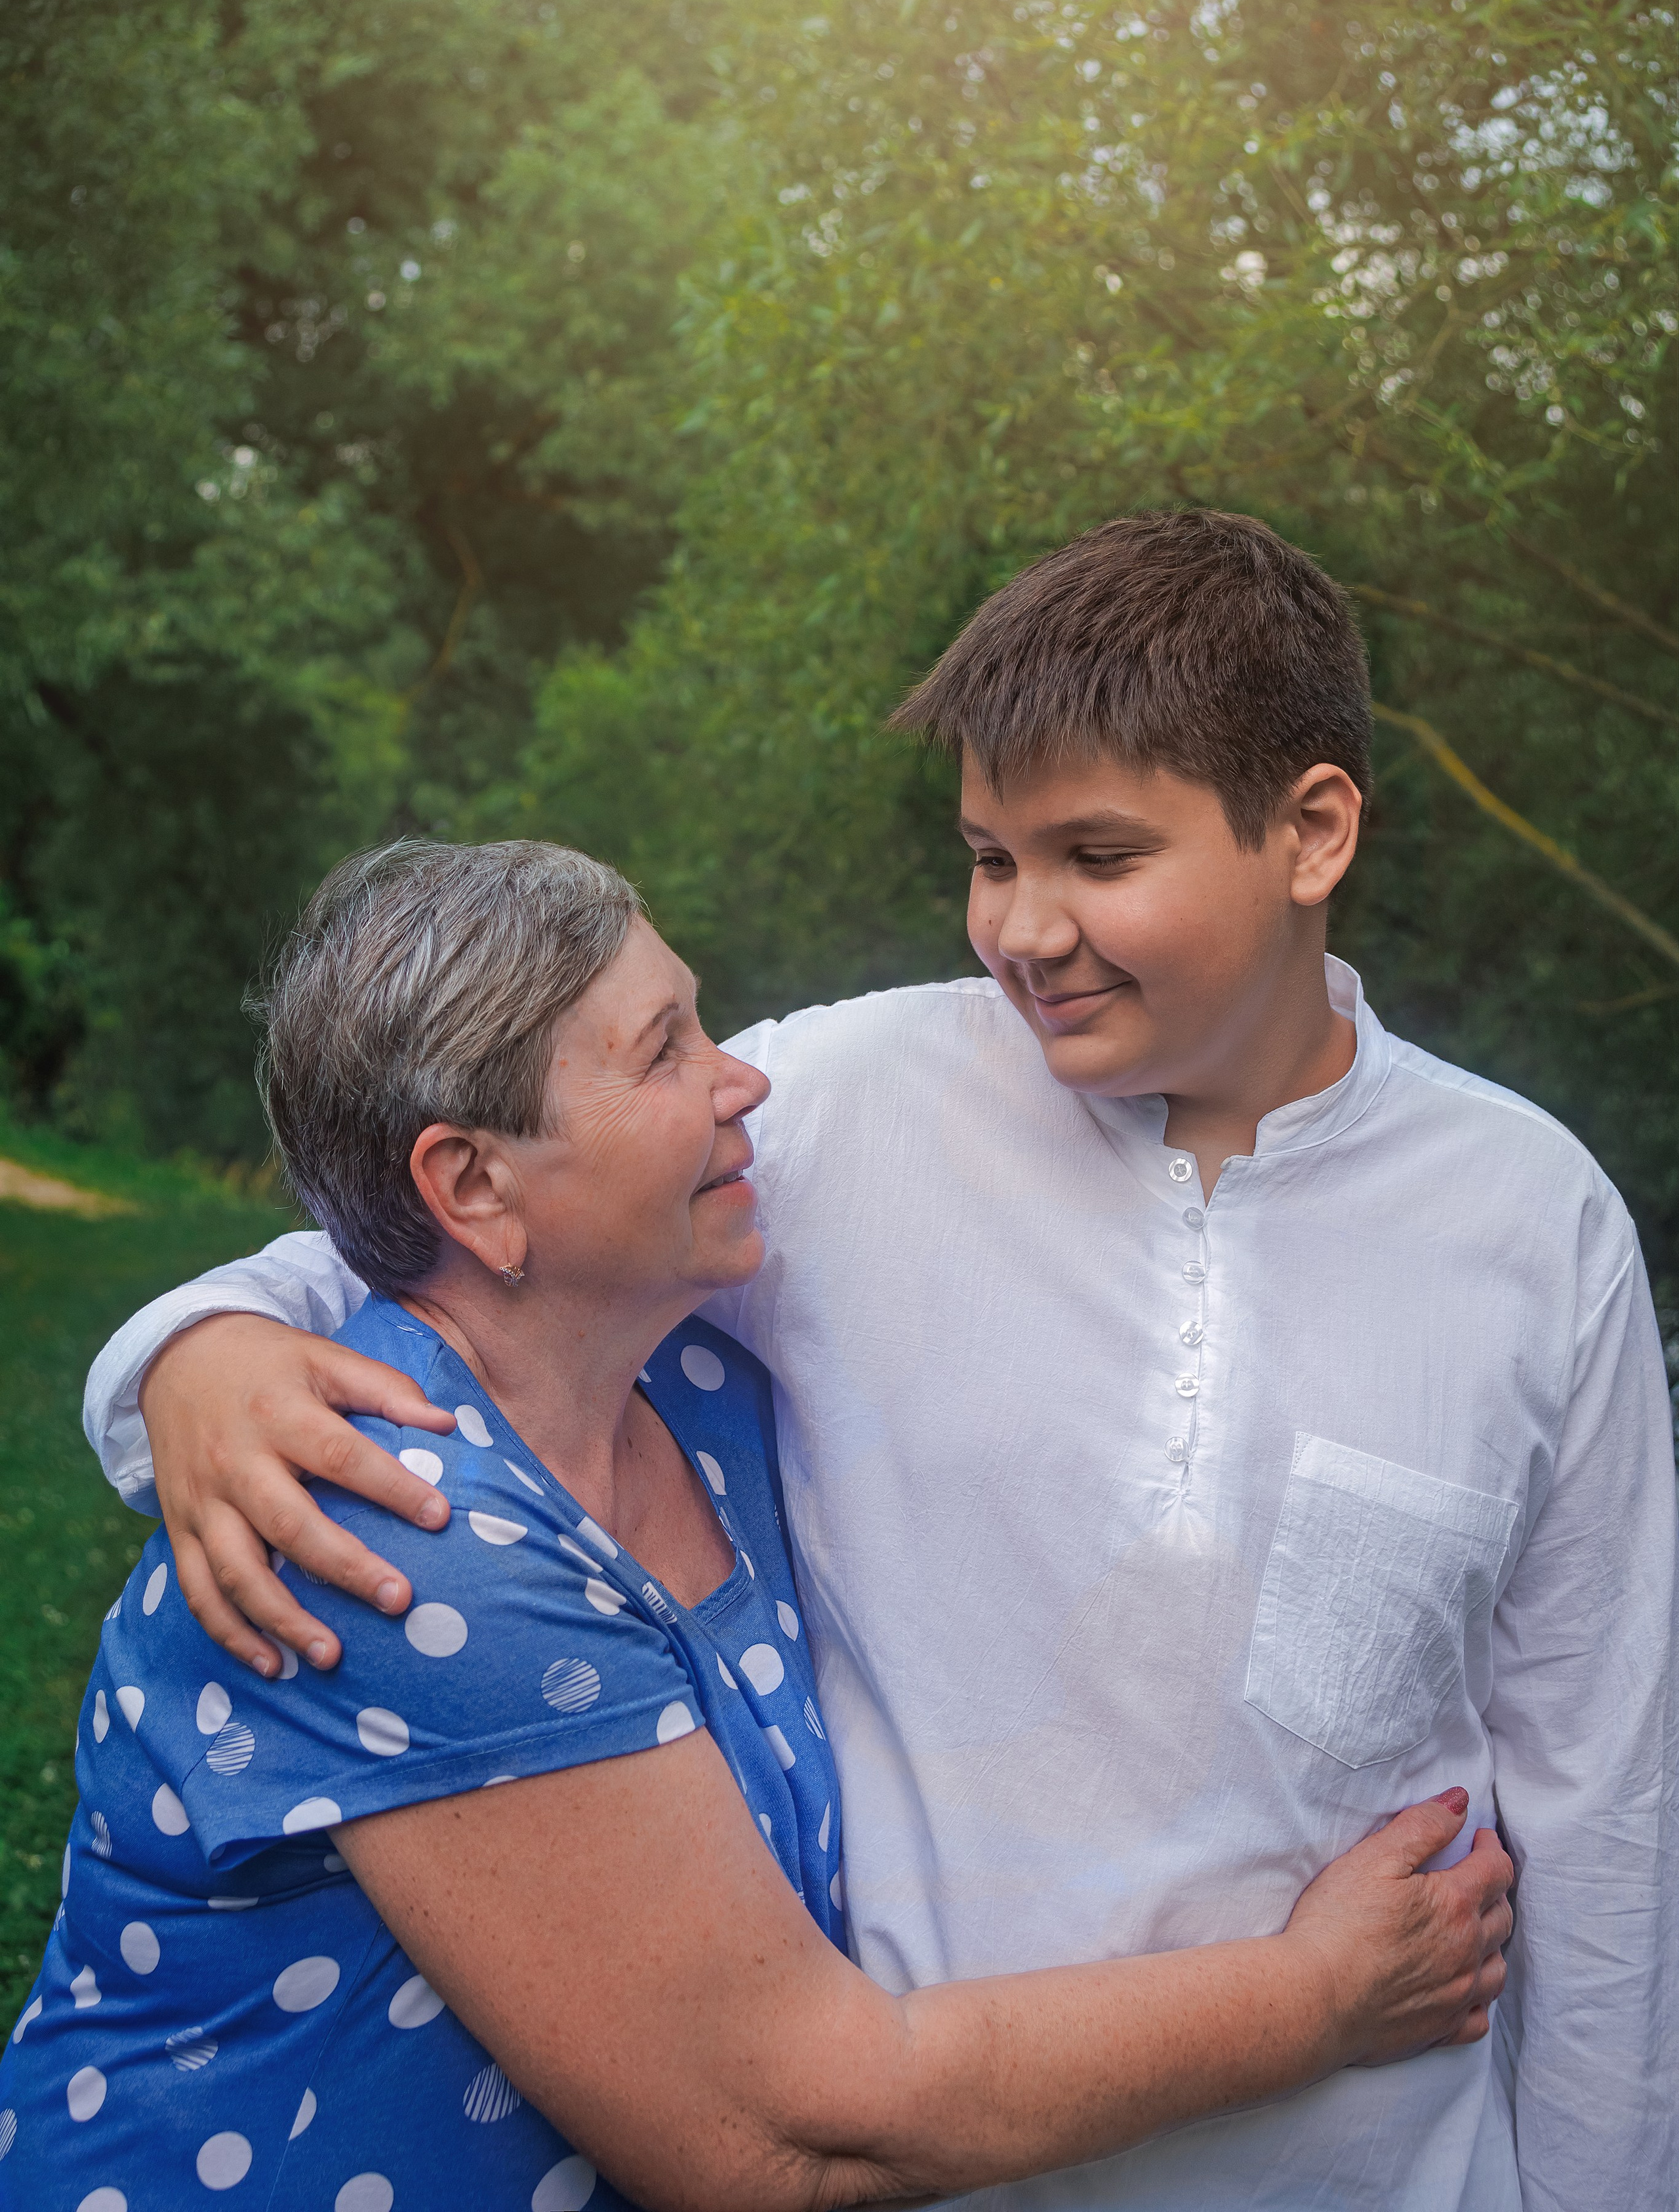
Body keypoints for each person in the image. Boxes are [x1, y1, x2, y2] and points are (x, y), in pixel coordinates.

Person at [79, 514, 1676, 2211]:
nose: (1026, 928)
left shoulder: (1529, 1222)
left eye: (1099, 856)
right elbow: (442, 1233)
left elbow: (1605, 1791)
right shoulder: (850, 1108)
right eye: (992, 857)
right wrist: (202, 1349)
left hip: (1386, 2172)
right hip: (928, 2170)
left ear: (1312, 832)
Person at [3, 837, 1512, 2212]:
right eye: (661, 1053)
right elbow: (782, 2132)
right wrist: (1313, 2001)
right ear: (472, 1185)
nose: (741, 1085)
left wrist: (195, 1339)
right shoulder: (388, 1525)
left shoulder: (695, 1378)